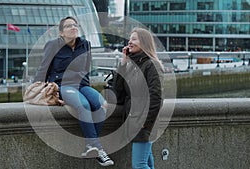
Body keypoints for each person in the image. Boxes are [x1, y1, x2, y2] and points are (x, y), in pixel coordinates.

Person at [33, 16, 114, 167]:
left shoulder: (85, 45)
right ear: (61, 33)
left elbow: (86, 69)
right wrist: (36, 91)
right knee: (83, 105)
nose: (74, 28)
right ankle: (98, 149)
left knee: (102, 105)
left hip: (82, 85)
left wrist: (87, 88)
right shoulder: (52, 45)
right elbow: (43, 70)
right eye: (69, 26)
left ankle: (90, 145)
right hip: (63, 85)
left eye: (75, 25)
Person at [113, 27, 163, 169]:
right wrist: (123, 62)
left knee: (139, 165)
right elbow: (118, 91)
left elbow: (156, 97)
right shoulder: (133, 65)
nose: (130, 42)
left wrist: (146, 122)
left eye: (134, 39)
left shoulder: (151, 65)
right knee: (146, 162)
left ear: (145, 43)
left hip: (143, 121)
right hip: (133, 119)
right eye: (130, 39)